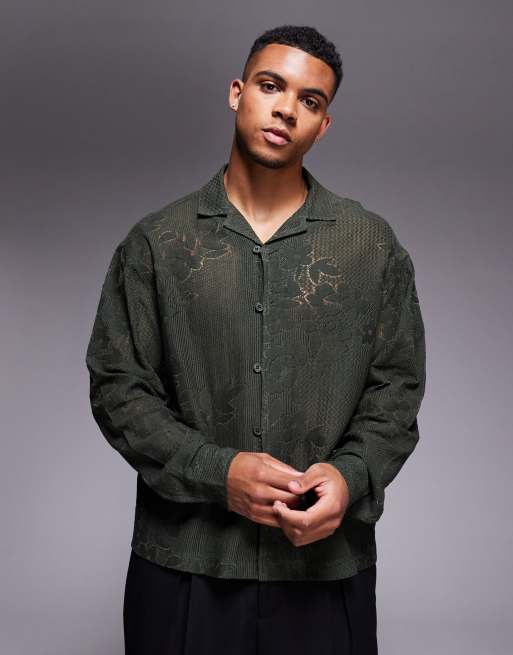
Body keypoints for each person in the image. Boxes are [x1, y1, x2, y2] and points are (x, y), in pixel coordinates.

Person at [85, 24, 426, 655]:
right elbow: (119, 389)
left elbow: (396, 390)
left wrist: (350, 478)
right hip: (184, 566)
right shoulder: (157, 243)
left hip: (325, 568)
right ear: (237, 93)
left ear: (323, 125)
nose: (286, 109)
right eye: (271, 86)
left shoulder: (370, 246)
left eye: (310, 100)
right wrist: (221, 472)